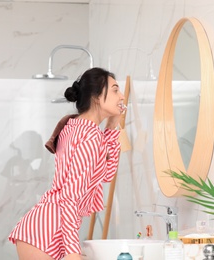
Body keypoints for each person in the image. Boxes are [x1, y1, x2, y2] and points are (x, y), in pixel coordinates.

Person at [8, 67, 126, 260]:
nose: (121, 96)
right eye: (115, 89)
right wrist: (72, 251)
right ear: (96, 96)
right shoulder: (90, 136)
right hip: (46, 233)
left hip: (48, 228)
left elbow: (106, 175)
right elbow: (71, 198)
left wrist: (112, 126)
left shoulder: (76, 126)